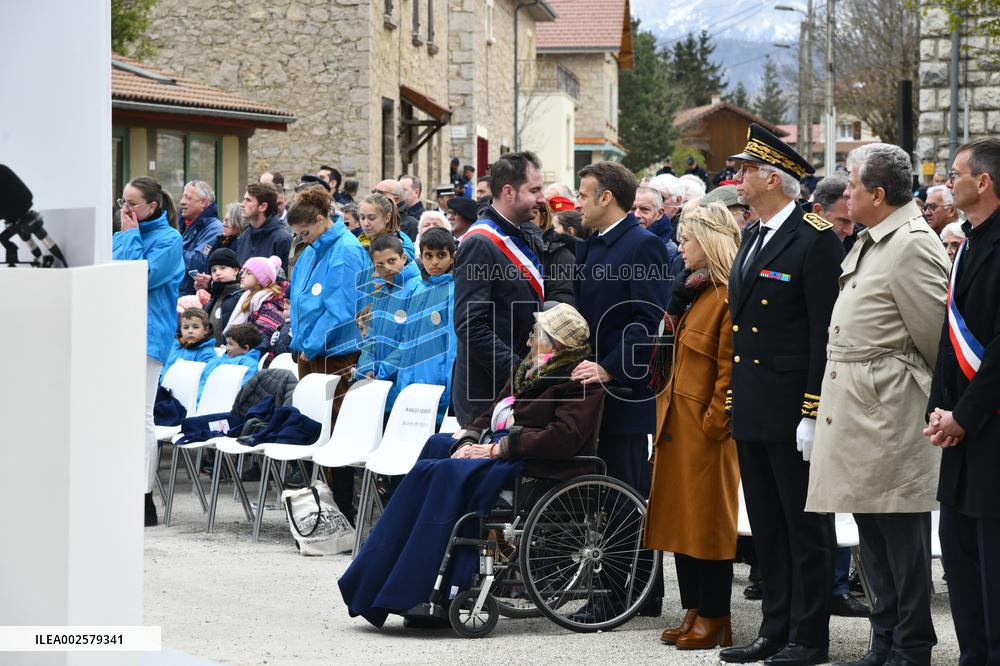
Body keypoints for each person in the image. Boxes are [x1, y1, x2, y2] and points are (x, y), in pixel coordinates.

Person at [338, 303, 604, 628]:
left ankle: (420, 589)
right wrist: (469, 440)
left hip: (533, 466)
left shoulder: (579, 381)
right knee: (438, 446)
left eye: (537, 334)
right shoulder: (530, 370)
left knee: (434, 472)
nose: (529, 340)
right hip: (503, 452)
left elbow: (563, 439)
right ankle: (388, 577)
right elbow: (491, 411)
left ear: (557, 342)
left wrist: (493, 449)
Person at [805, 143, 949, 666]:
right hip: (863, 410)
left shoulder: (911, 243)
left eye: (852, 184)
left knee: (901, 539)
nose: (846, 192)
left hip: (891, 412)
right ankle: (884, 637)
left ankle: (911, 644)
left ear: (879, 194)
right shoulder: (874, 239)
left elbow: (936, 340)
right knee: (870, 538)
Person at [721, 123, 844, 666]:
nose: (737, 179)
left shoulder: (815, 238)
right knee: (767, 527)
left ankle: (808, 636)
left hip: (792, 406)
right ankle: (775, 628)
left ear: (773, 177)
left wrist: (813, 411)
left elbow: (823, 334)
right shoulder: (753, 234)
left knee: (804, 526)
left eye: (745, 171)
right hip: (754, 405)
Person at [571, 160, 672, 621]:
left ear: (605, 197)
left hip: (626, 392)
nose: (577, 203)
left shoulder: (643, 245)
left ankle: (620, 594)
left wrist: (611, 369)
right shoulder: (594, 245)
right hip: (596, 386)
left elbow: (648, 321)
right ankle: (638, 592)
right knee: (608, 491)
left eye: (583, 194)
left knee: (624, 492)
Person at [645, 202, 741, 651]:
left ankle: (716, 614)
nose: (680, 247)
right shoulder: (690, 292)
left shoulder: (724, 294)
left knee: (707, 523)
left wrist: (715, 421)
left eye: (688, 239)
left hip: (705, 429)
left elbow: (729, 369)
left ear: (711, 242)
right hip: (675, 424)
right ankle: (695, 608)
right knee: (681, 521)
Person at [924, 137, 1000, 666]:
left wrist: (964, 416)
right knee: (959, 551)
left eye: (956, 174)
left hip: (990, 428)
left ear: (985, 181)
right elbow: (949, 340)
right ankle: (974, 653)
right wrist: (939, 410)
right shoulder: (970, 241)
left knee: (992, 560)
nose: (950, 183)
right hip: (960, 429)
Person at [287, 185, 370, 521]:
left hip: (336, 352)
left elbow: (341, 308)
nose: (303, 238)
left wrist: (309, 344)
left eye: (305, 232)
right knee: (314, 426)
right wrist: (300, 342)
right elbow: (300, 301)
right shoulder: (310, 251)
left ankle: (343, 507)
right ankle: (321, 503)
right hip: (309, 352)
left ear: (321, 220)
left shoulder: (347, 250)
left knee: (336, 428)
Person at [452, 151, 546, 426]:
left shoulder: (525, 233)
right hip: (487, 394)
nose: (542, 198)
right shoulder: (480, 243)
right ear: (508, 191)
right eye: (535, 189)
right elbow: (470, 324)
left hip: (515, 387)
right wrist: (518, 370)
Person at [113, 176, 185, 527]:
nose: (124, 210)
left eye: (131, 204)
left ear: (152, 207)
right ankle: (116, 486)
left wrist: (128, 237)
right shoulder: (123, 235)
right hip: (117, 333)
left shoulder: (169, 239)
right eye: (121, 203)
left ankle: (143, 497)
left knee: (141, 416)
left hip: (146, 336)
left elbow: (136, 277)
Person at [387, 227, 457, 422]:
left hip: (436, 383)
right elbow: (406, 337)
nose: (434, 262)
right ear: (421, 256)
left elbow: (453, 346)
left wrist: (448, 389)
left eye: (441, 255)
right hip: (409, 379)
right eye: (428, 255)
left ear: (452, 257)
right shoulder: (418, 288)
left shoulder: (455, 291)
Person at [355, 234, 423, 418]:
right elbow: (370, 337)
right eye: (380, 264)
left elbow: (411, 341)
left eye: (392, 260)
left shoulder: (418, 289)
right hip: (378, 384)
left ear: (404, 258)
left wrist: (382, 371)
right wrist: (367, 368)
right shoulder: (380, 293)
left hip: (402, 384)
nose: (388, 268)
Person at [234, 182, 293, 277]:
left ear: (263, 207)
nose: (242, 204)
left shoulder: (283, 239)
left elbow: (286, 281)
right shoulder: (244, 235)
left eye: (248, 200)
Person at [177, 180, 223, 296]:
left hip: (193, 296)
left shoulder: (214, 229)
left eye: (188, 198)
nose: (182, 202)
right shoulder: (182, 224)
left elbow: (198, 262)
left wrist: (170, 249)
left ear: (203, 202)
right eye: (183, 197)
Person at [225, 255, 285, 342]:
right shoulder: (246, 298)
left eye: (248, 273)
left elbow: (260, 343)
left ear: (262, 279)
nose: (242, 275)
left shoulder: (269, 308)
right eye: (243, 271)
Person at [196, 322, 261, 401]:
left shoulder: (250, 364)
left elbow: (244, 386)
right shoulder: (223, 358)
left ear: (245, 348)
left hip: (222, 401)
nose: (227, 348)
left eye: (231, 344)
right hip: (202, 397)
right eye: (227, 343)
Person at [531, 199, 576, 306]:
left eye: (532, 213)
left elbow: (563, 303)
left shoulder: (560, 255)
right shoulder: (498, 247)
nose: (522, 219)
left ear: (543, 218)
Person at [161, 307, 218, 379]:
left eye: (195, 327)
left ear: (206, 330)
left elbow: (207, 378)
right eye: (186, 327)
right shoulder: (174, 346)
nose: (190, 331)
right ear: (180, 329)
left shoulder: (207, 354)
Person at [358, 192, 416, 260]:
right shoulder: (360, 240)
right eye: (362, 217)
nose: (365, 224)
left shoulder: (400, 244)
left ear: (387, 218)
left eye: (371, 218)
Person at [202, 248, 243, 345]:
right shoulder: (213, 298)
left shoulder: (241, 296)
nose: (217, 273)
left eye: (223, 268)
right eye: (213, 270)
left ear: (236, 270)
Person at [811, 175, 856, 252]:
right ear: (818, 211)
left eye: (855, 223)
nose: (849, 232)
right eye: (843, 221)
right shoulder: (791, 240)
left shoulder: (858, 243)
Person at [398, 174, 424, 241]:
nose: (399, 194)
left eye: (404, 190)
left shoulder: (423, 218)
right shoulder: (398, 213)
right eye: (398, 190)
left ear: (416, 192)